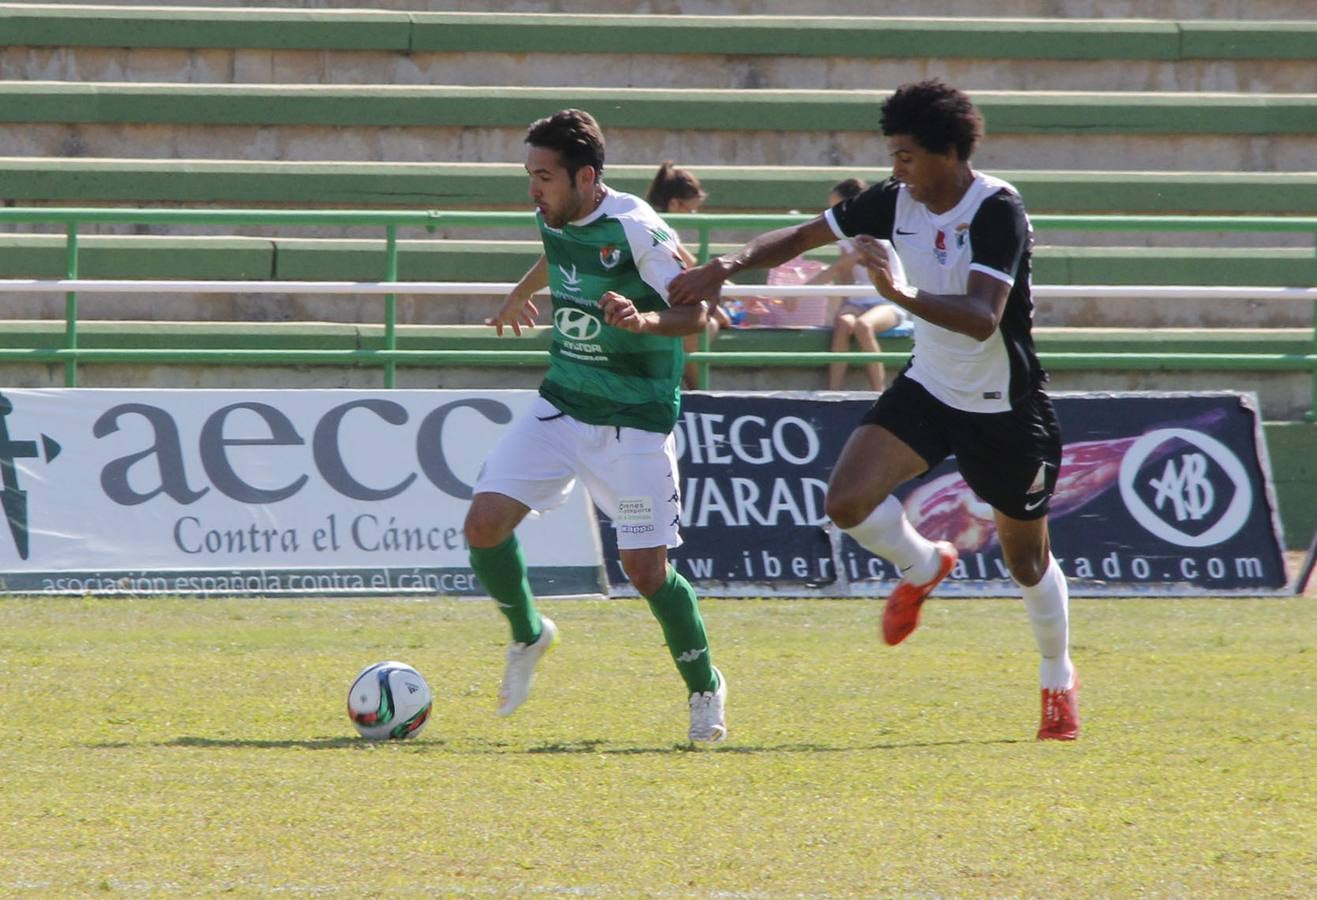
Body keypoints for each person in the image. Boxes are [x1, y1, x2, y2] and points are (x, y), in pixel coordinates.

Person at [668, 80, 1078, 741]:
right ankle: (924, 564)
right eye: (891, 155)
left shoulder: (996, 210)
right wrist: (726, 265)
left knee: (1026, 561)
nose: (896, 170)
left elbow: (980, 319)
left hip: (1004, 407)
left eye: (907, 156)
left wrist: (896, 291)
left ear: (948, 152)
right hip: (930, 389)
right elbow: (802, 237)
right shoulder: (894, 201)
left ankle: (1056, 679)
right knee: (845, 503)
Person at [465, 110, 727, 744]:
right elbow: (557, 251)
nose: (533, 189)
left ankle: (705, 687)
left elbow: (701, 315)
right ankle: (530, 635)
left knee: (645, 570)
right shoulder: (554, 212)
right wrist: (518, 291)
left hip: (634, 421)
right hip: (562, 403)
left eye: (545, 177)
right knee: (483, 525)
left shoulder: (638, 230)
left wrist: (641, 323)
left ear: (585, 177)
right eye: (530, 175)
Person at [812, 178, 913, 391]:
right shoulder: (844, 241)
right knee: (843, 323)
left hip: (888, 301)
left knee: (863, 326)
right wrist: (842, 268)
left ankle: (878, 391)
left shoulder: (878, 237)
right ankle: (833, 391)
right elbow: (846, 280)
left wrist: (835, 268)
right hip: (860, 299)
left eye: (836, 208)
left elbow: (877, 273)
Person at [645, 160, 734, 390]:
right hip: (654, 308)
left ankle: (695, 392)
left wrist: (733, 295)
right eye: (691, 209)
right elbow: (689, 270)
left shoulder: (660, 226)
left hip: (663, 306)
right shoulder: (658, 228)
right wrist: (721, 308)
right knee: (705, 326)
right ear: (675, 204)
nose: (694, 214)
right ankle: (698, 394)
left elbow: (694, 267)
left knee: (705, 323)